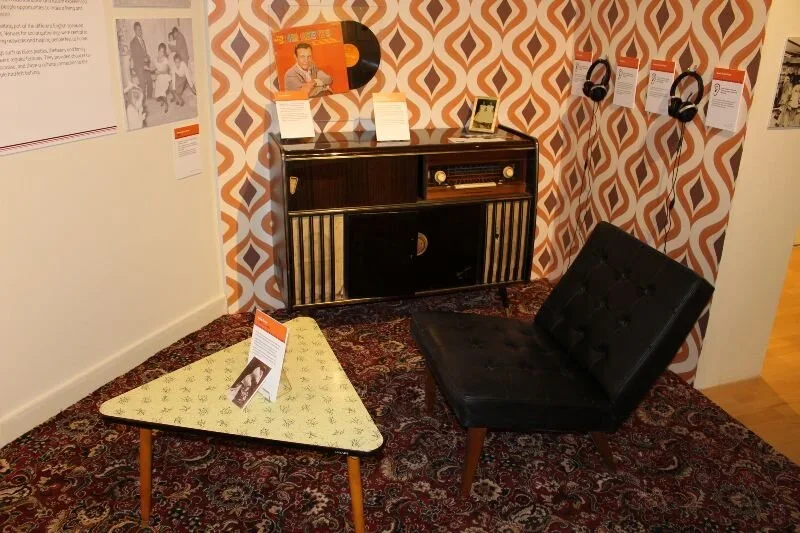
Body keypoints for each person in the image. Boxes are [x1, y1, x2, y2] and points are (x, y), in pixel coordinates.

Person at [129, 22, 152, 100]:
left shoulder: (142, 40)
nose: (140, 31)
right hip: (138, 65)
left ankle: (149, 97)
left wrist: (148, 57)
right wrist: (143, 59)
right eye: (138, 30)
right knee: (142, 82)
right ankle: (142, 100)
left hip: (145, 64)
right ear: (135, 31)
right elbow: (134, 56)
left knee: (149, 79)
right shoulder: (132, 42)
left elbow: (144, 52)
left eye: (140, 29)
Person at [153, 43, 172, 113]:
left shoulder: (165, 59)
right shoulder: (155, 59)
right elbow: (154, 68)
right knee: (158, 93)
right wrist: (148, 68)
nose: (161, 53)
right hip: (159, 77)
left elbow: (166, 71)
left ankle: (166, 105)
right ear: (158, 51)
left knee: (162, 91)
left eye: (163, 52)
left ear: (164, 52)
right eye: (160, 51)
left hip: (165, 77)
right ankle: (163, 101)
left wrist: (159, 72)